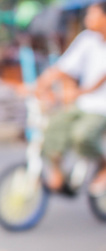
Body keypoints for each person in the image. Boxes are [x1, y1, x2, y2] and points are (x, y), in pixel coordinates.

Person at [36, 0, 106, 194]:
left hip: (102, 109)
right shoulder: (87, 39)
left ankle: (104, 165)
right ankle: (58, 173)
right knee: (53, 128)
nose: (87, 19)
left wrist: (80, 91)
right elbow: (63, 67)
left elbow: (100, 80)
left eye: (93, 15)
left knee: (82, 136)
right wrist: (41, 85)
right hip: (83, 104)